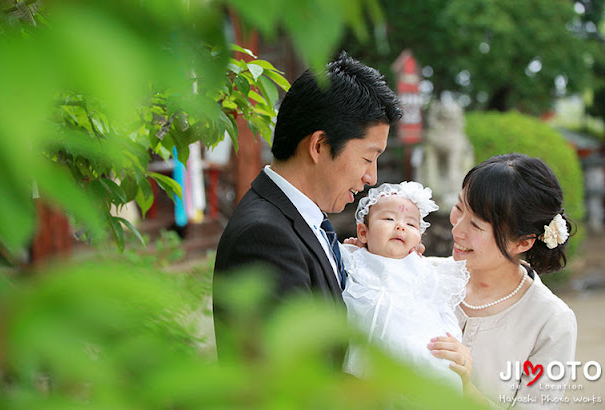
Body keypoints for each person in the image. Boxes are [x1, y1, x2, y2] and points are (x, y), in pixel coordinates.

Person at [213, 53, 403, 364]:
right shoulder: (263, 238)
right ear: (319, 146)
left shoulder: (304, 223)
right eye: (368, 158)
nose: (372, 177)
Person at [428, 153, 577, 408]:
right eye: (459, 208)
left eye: (475, 225)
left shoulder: (551, 321)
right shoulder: (423, 276)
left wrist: (466, 388)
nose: (457, 229)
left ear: (522, 242)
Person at [340, 182, 469, 390]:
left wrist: (453, 339)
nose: (400, 226)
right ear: (363, 233)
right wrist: (349, 250)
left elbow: (442, 311)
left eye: (411, 224)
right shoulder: (354, 259)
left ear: (418, 239)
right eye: (389, 219)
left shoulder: (424, 270)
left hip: (415, 351)